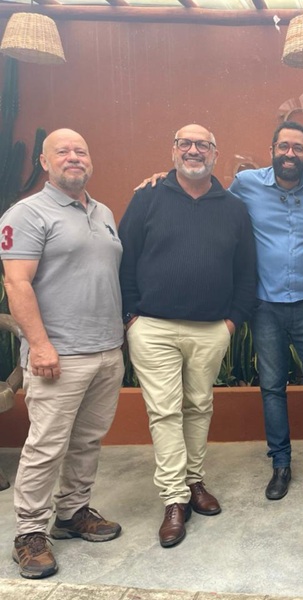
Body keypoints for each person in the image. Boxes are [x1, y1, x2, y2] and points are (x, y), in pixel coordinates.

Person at [118, 124, 257, 548]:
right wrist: (131, 317)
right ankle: (175, 498)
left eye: (202, 145)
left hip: (211, 329)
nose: (193, 150)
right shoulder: (147, 198)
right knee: (165, 412)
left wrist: (231, 322)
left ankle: (194, 480)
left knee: (198, 406)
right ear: (173, 150)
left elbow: (246, 271)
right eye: (185, 143)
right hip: (153, 327)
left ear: (215, 153)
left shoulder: (233, 207)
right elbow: (124, 258)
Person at [0, 129, 124, 579]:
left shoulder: (103, 212)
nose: (74, 157)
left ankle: (72, 512)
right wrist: (39, 344)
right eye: (63, 151)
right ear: (44, 161)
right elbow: (16, 282)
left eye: (81, 151)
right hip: (58, 354)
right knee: (46, 446)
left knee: (87, 440)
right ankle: (30, 533)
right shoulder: (27, 213)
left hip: (106, 350)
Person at [228, 122, 303, 502]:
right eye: (284, 147)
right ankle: (281, 465)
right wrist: (162, 179)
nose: (290, 154)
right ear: (272, 149)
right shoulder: (246, 184)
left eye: (298, 148)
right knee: (272, 388)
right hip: (265, 306)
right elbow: (212, 202)